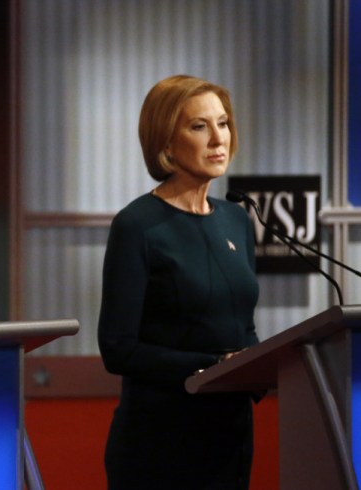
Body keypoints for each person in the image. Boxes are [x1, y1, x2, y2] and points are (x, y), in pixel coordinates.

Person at [97, 75, 260, 489]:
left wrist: (259, 367)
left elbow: (243, 325)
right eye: (199, 126)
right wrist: (211, 368)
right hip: (160, 441)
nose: (217, 139)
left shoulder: (236, 220)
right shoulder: (137, 226)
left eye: (223, 123)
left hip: (230, 436)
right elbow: (118, 348)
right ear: (166, 144)